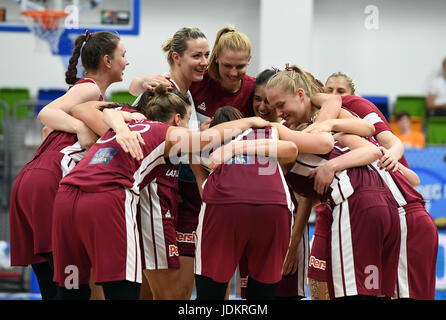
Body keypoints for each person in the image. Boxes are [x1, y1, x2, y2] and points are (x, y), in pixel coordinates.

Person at [51, 85, 270, 300]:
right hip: (106, 198)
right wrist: (249, 121)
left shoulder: (130, 121)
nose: (189, 126)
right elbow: (205, 139)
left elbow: (104, 110)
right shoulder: (165, 133)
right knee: (123, 288)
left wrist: (120, 126)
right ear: (176, 119)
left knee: (73, 285)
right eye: (187, 120)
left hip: (65, 198)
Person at [9, 30, 128, 300]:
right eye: (124, 55)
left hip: (29, 182)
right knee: (71, 284)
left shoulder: (86, 97)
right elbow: (45, 113)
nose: (127, 62)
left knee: (54, 289)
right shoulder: (89, 88)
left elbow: (48, 128)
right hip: (48, 181)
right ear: (108, 61)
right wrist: (80, 128)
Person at [191, 106, 337, 300]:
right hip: (275, 203)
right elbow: (299, 148)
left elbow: (191, 151)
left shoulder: (211, 136)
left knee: (210, 294)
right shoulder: (270, 129)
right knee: (263, 295)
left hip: (225, 203)